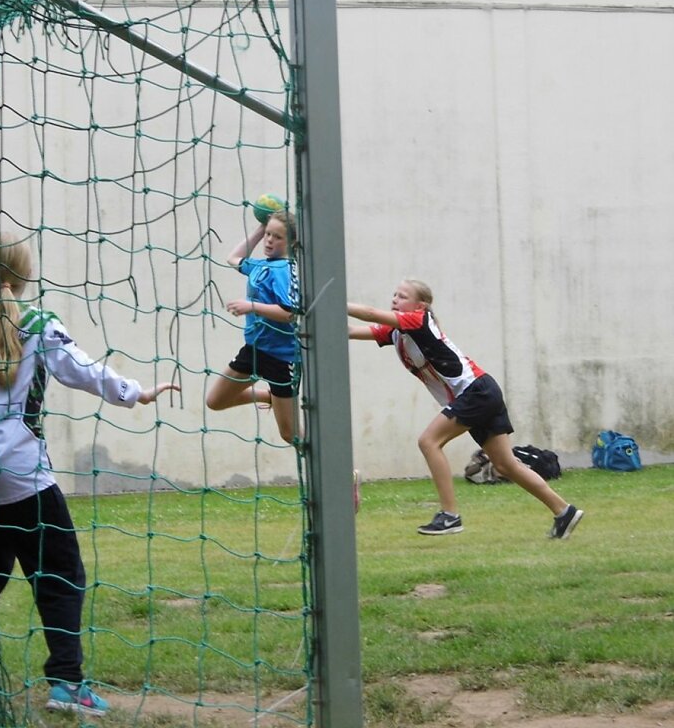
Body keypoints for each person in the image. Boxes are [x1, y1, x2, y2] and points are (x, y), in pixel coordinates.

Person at [0, 233, 179, 716]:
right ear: (23, 276)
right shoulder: (42, 325)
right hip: (23, 473)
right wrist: (137, 393)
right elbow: (85, 371)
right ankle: (67, 683)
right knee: (61, 572)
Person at [347, 278, 584, 539]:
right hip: (481, 392)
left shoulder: (418, 320)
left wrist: (333, 302)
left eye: (402, 296)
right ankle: (564, 512)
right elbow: (349, 330)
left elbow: (369, 312)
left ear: (421, 305)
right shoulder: (395, 332)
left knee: (429, 442)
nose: (395, 299)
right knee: (505, 465)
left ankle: (450, 516)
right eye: (394, 294)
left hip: (477, 391)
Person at [206, 211, 301, 445]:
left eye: (277, 237)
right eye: (268, 234)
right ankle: (267, 396)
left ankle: (342, 474)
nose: (270, 240)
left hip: (281, 358)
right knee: (215, 400)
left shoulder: (284, 270)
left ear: (291, 242)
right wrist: (261, 227)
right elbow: (233, 257)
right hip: (254, 349)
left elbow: (289, 313)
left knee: (290, 434)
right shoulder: (260, 266)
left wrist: (251, 306)